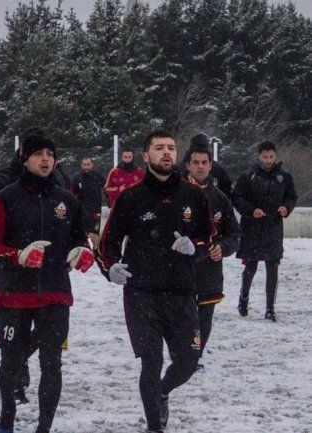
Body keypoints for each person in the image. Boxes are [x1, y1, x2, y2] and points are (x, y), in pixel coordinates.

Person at [98, 131, 215, 433]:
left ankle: (162, 393)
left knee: (189, 361)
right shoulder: (131, 197)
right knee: (151, 361)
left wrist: (197, 248)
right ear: (146, 156)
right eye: (159, 148)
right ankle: (154, 427)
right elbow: (107, 243)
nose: (167, 153)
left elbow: (208, 238)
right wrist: (110, 267)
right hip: (141, 293)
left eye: (172, 148)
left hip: (182, 291)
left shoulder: (194, 196)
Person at [0, 134, 94, 433]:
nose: (46, 159)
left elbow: (78, 238)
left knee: (52, 363)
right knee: (11, 363)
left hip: (55, 293)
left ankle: (44, 427)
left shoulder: (67, 200)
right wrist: (18, 255)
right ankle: (7, 416)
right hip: (13, 292)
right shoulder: (5, 198)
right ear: (25, 158)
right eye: (38, 154)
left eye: (50, 153)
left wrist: (82, 251)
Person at [184, 146, 240, 369]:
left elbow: (234, 234)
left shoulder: (220, 199)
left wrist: (222, 247)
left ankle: (196, 356)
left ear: (210, 165)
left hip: (210, 269)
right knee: (184, 316)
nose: (199, 166)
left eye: (203, 162)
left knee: (204, 316)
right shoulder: (176, 194)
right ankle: (183, 353)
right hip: (181, 269)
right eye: (195, 162)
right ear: (187, 165)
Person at [232, 141, 297, 321]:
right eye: (265, 157)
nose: (268, 160)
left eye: (271, 157)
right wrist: (251, 210)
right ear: (259, 156)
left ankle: (270, 307)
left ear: (275, 156)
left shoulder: (284, 176)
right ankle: (243, 299)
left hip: (273, 228)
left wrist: (286, 207)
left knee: (272, 268)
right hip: (252, 229)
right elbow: (236, 197)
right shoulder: (248, 176)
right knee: (250, 267)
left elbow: (292, 196)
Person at [71, 156, 106, 247]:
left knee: (95, 236)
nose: (86, 167)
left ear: (92, 165)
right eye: (84, 165)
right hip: (81, 212)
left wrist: (109, 203)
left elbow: (107, 190)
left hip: (95, 212)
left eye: (88, 164)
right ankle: (84, 256)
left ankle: (97, 257)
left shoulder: (98, 177)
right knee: (81, 237)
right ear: (81, 165)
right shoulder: (77, 178)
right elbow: (71, 195)